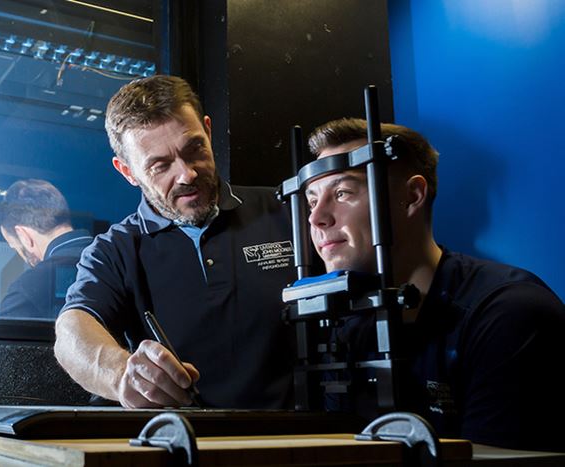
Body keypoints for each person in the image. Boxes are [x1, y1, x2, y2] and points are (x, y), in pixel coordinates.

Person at [303, 118, 565, 451]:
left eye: (342, 193)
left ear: (412, 196)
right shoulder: (347, 328)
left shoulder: (508, 315)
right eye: (312, 200)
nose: (317, 218)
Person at [54, 75, 298, 409]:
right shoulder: (115, 251)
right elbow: (72, 332)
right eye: (160, 165)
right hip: (183, 445)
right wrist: (122, 374)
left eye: (194, 148)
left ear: (208, 132)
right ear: (127, 171)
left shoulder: (287, 209)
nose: (187, 174)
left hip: (300, 437)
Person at [0, 179, 93, 320]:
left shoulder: (30, 288)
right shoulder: (115, 256)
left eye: (16, 247)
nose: (21, 257)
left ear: (24, 235)